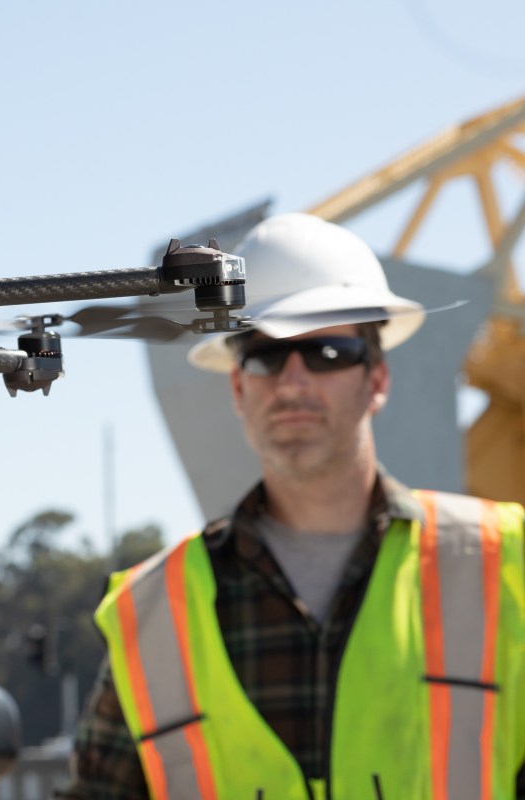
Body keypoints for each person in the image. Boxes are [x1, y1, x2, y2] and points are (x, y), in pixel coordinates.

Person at [58, 212, 525, 799]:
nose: (294, 381)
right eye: (266, 355)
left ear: (377, 378)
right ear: (238, 386)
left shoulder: (504, 565)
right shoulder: (153, 616)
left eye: (327, 351)